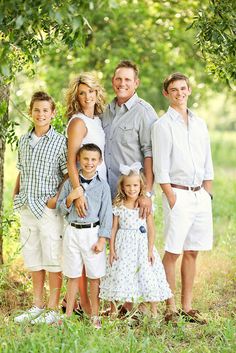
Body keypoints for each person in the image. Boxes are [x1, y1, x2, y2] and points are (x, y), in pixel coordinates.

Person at [151, 73, 214, 324]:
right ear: (166, 94)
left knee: (192, 251)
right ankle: (170, 307)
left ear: (189, 90)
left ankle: (187, 308)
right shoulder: (162, 125)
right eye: (174, 90)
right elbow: (160, 167)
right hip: (177, 194)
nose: (179, 93)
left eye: (183, 88)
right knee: (173, 252)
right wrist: (171, 196)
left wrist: (207, 191)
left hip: (200, 195)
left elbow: (207, 160)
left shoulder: (199, 123)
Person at [13, 91, 67, 325]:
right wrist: (16, 194)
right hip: (27, 204)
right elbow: (21, 170)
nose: (41, 114)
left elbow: (67, 174)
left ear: (53, 113)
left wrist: (55, 199)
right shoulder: (24, 141)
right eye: (37, 110)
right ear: (30, 112)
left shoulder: (60, 141)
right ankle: (37, 306)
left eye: (46, 110)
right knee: (34, 257)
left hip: (47, 208)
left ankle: (53, 308)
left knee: (53, 256)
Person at [99, 163, 172, 318]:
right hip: (123, 246)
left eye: (135, 185)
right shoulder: (118, 205)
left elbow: (151, 228)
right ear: (122, 187)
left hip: (142, 246)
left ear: (141, 186)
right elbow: (113, 229)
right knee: (119, 274)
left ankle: (152, 311)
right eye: (128, 186)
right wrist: (111, 250)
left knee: (147, 274)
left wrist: (150, 249)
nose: (132, 189)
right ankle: (114, 310)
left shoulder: (144, 206)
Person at [57, 143, 112, 329]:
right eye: (85, 159)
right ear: (79, 160)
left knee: (94, 277)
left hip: (92, 233)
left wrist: (102, 239)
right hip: (72, 231)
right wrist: (72, 197)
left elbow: (106, 215)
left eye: (93, 159)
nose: (89, 163)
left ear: (99, 161)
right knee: (73, 275)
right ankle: (68, 315)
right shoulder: (70, 183)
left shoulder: (103, 186)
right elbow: (60, 209)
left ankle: (94, 316)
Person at [64, 72, 106, 315]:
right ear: (77, 98)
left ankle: (89, 305)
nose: (88, 96)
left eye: (91, 91)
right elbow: (71, 160)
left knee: (94, 249)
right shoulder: (78, 122)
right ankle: (84, 306)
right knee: (80, 250)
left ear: (96, 92)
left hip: (99, 186)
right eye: (82, 93)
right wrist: (77, 192)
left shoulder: (97, 121)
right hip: (84, 189)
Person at [102, 60, 157, 218]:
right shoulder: (106, 111)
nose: (122, 84)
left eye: (127, 80)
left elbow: (150, 154)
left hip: (132, 196)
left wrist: (147, 194)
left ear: (136, 83)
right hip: (107, 192)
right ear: (113, 81)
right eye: (118, 79)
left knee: (134, 241)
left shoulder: (144, 112)